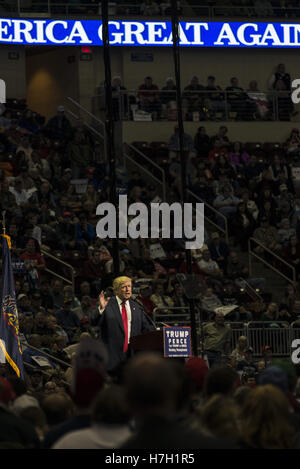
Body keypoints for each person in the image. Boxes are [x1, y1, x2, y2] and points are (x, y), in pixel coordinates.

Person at [97, 276, 156, 373]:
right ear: (116, 291)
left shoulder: (136, 306)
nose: (128, 289)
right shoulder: (107, 304)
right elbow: (94, 321)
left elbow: (146, 327)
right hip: (113, 356)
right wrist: (101, 309)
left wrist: (160, 332)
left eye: (129, 286)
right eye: (124, 287)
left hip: (132, 355)